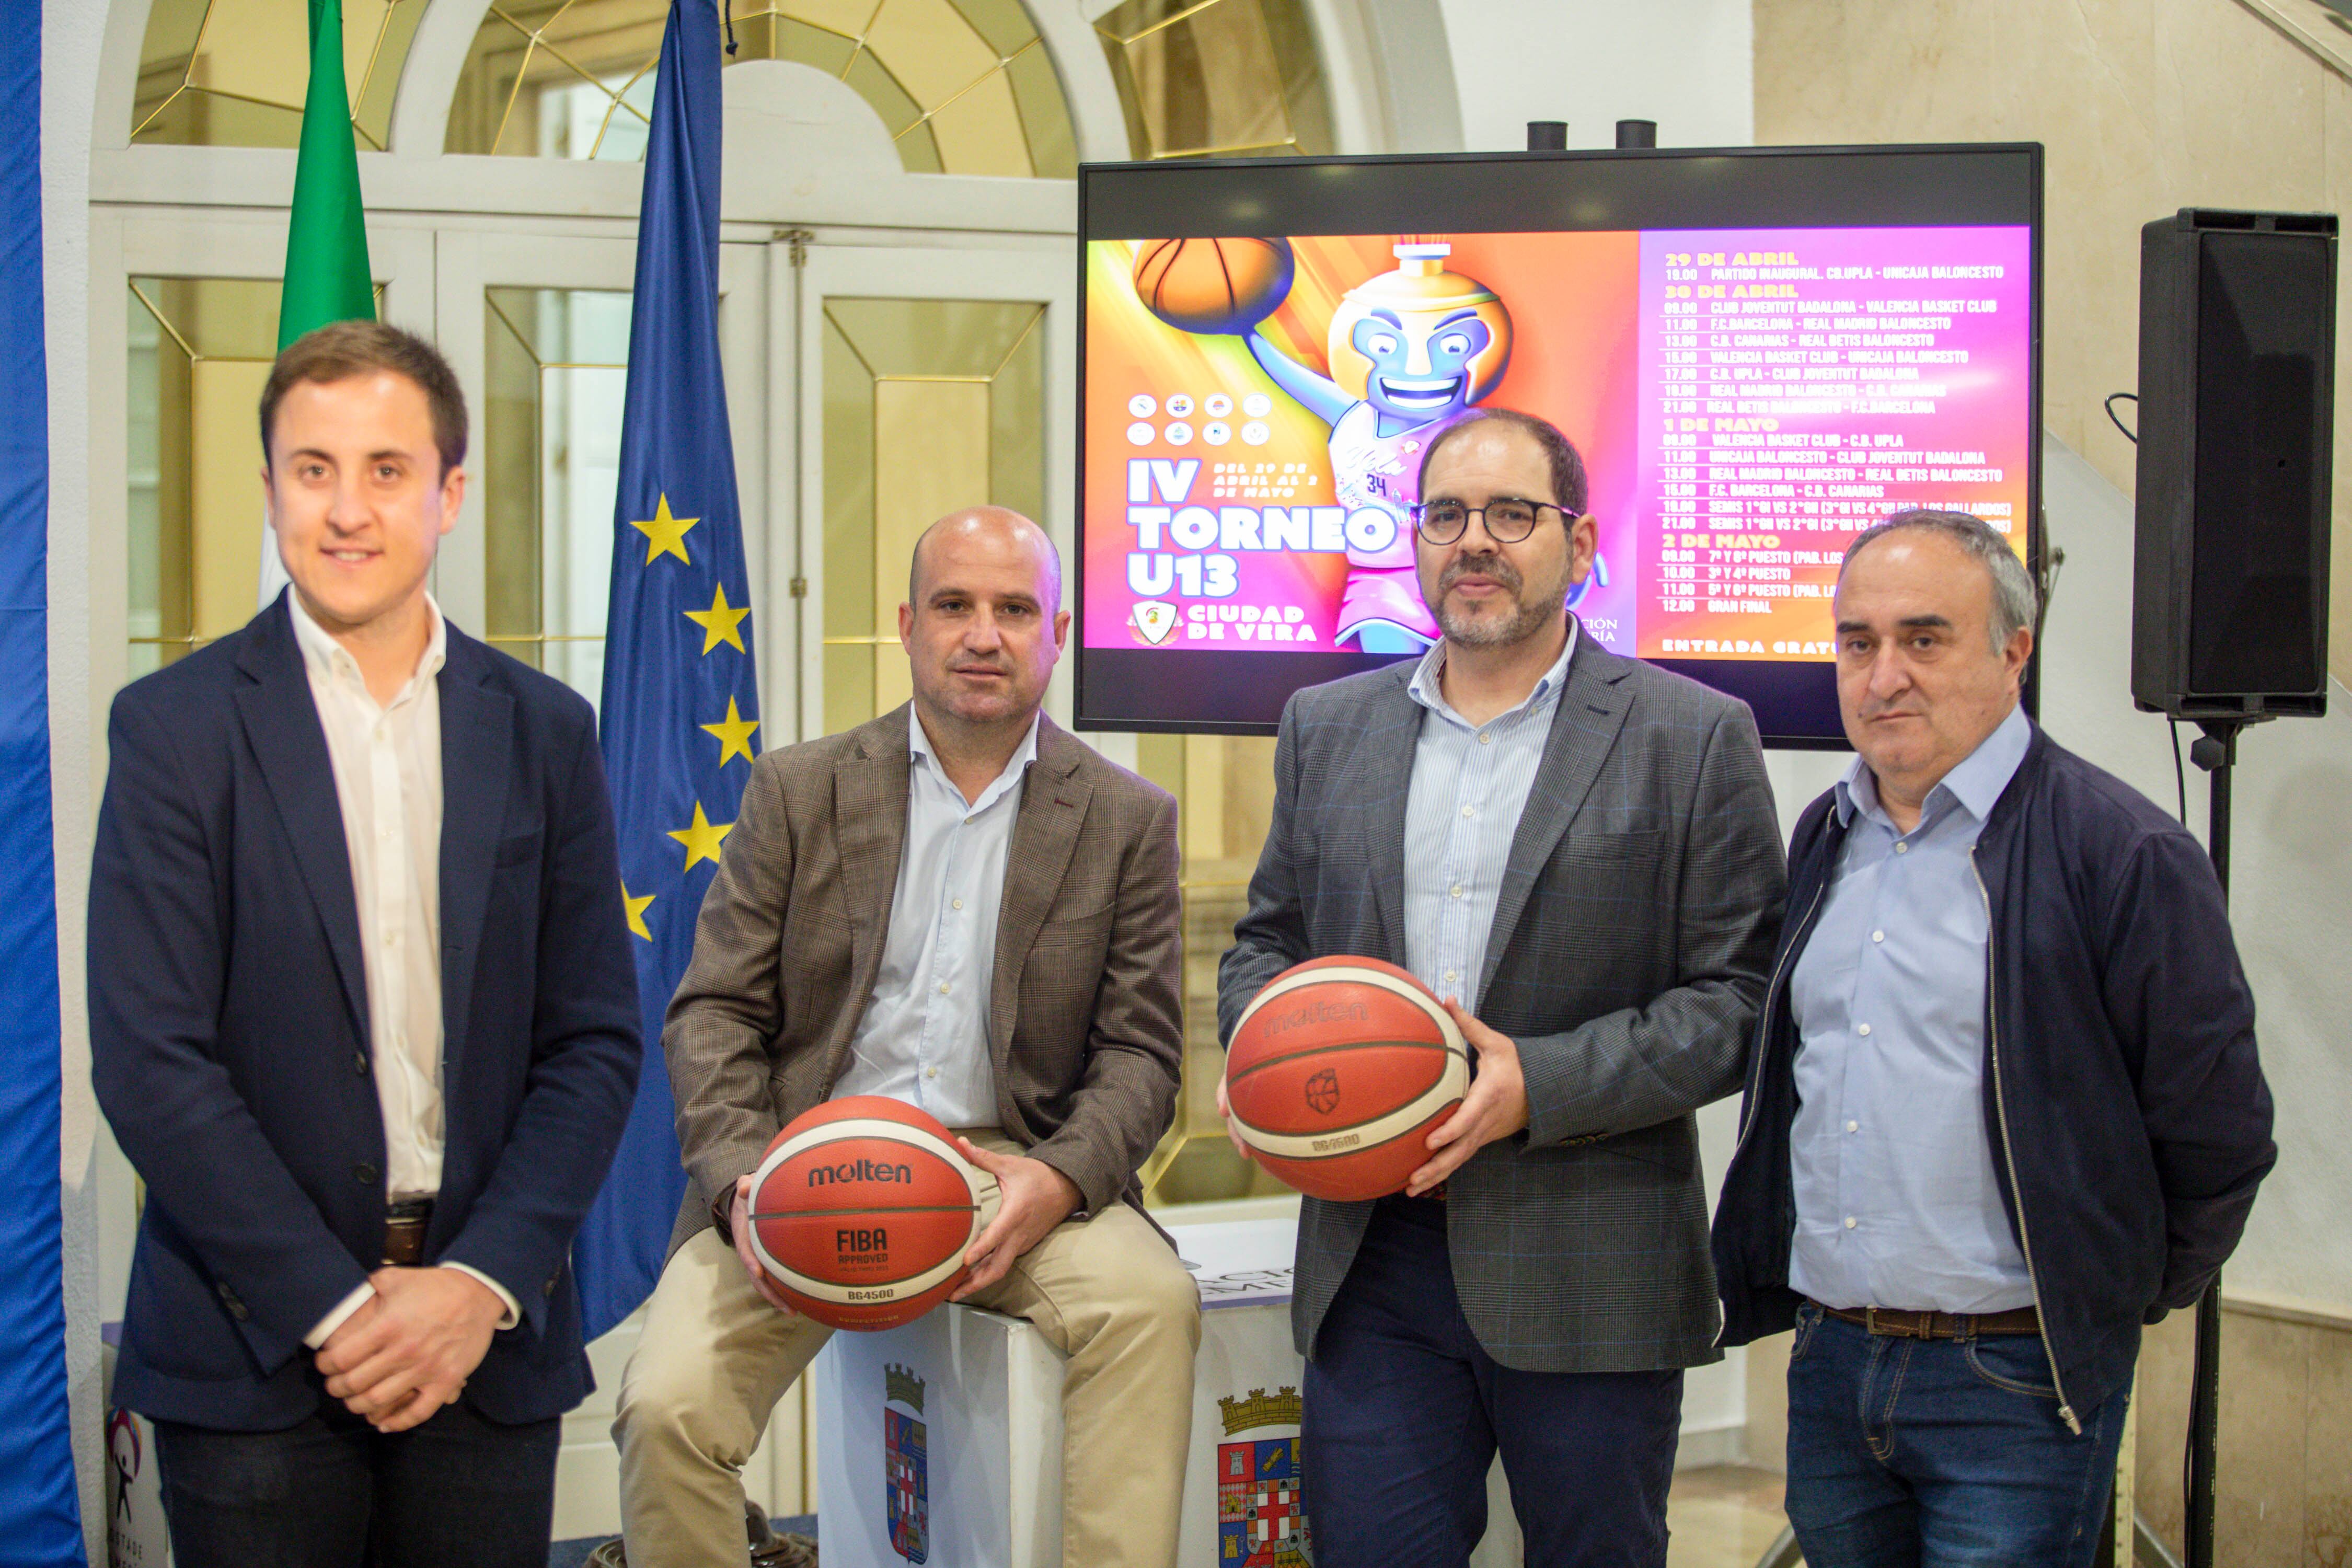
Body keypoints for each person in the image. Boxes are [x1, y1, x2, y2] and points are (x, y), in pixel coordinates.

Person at [88, 319, 643, 1567]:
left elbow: (595, 1040)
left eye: (387, 470)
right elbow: (150, 1062)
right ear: (273, 487)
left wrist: (476, 1284)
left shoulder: (546, 731)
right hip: (254, 1354)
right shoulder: (173, 732)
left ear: (449, 493)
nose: (347, 509)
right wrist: (338, 1311)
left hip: (483, 1347)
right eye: (313, 468)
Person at [1217, 407, 1788, 1567]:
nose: (1474, 542)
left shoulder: (1693, 736)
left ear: (1578, 545)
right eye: (1446, 515)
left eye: (1512, 515)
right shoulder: (1327, 728)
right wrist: (1269, 1057)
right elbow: (1262, 946)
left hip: (1590, 1257)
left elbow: (1742, 999)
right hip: (1374, 1261)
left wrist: (1541, 1083)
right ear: (1414, 540)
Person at [612, 506, 1198, 1568]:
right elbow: (715, 1012)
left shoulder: (1126, 819)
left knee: (1150, 1302)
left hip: (1008, 1168)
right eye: (956, 606)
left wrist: (1059, 1184)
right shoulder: (798, 791)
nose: (985, 634)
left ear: (1057, 634)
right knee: (665, 1409)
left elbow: (1142, 1056)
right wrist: (747, 1187)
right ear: (908, 625)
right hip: (803, 1166)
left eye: (1016, 609)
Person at [1711, 509, 2276, 1568]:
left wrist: (2101, 1300)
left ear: (2015, 651)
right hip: (1833, 1365)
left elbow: (2220, 1137)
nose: (1884, 677)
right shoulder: (1827, 837)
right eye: (1857, 642)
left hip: (2014, 1386)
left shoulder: (2123, 851)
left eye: (1924, 640)